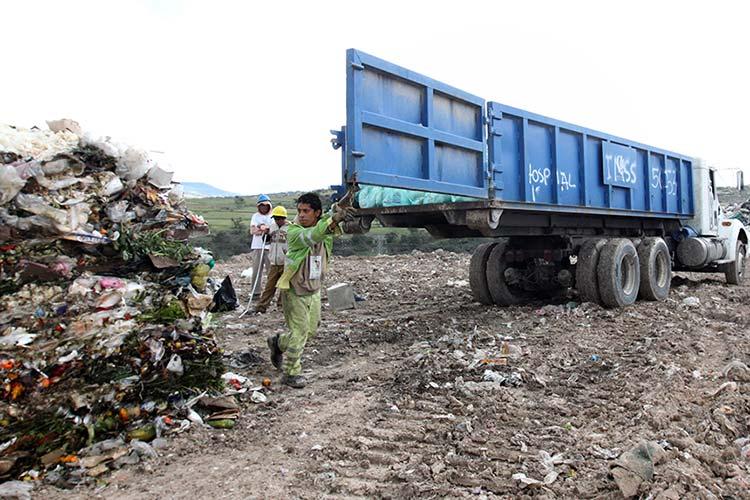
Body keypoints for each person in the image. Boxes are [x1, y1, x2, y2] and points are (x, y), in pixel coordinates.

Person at [267, 192, 354, 388]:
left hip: (314, 288)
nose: (302, 215)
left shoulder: (323, 226)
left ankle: (278, 342)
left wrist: (341, 205)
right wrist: (333, 219)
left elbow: (328, 223)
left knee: (311, 330)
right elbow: (314, 235)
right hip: (294, 289)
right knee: (300, 332)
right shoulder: (294, 232)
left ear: (316, 213)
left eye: (306, 211)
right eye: (299, 211)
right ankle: (290, 373)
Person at [254, 205, 288, 313]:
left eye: (280, 218)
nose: (278, 220)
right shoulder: (272, 227)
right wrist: (266, 236)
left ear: (284, 218)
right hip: (274, 261)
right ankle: (261, 306)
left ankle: (282, 306)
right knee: (270, 286)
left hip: (285, 262)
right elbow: (267, 241)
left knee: (284, 287)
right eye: (276, 218)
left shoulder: (290, 228)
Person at [249, 194, 272, 299]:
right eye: (262, 205)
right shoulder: (255, 216)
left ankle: (269, 293)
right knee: (256, 270)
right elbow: (252, 231)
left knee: (270, 271)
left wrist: (262, 228)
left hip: (269, 247)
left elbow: (272, 230)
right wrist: (263, 229)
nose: (264, 207)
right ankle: (255, 292)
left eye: (266, 205)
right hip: (257, 247)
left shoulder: (272, 217)